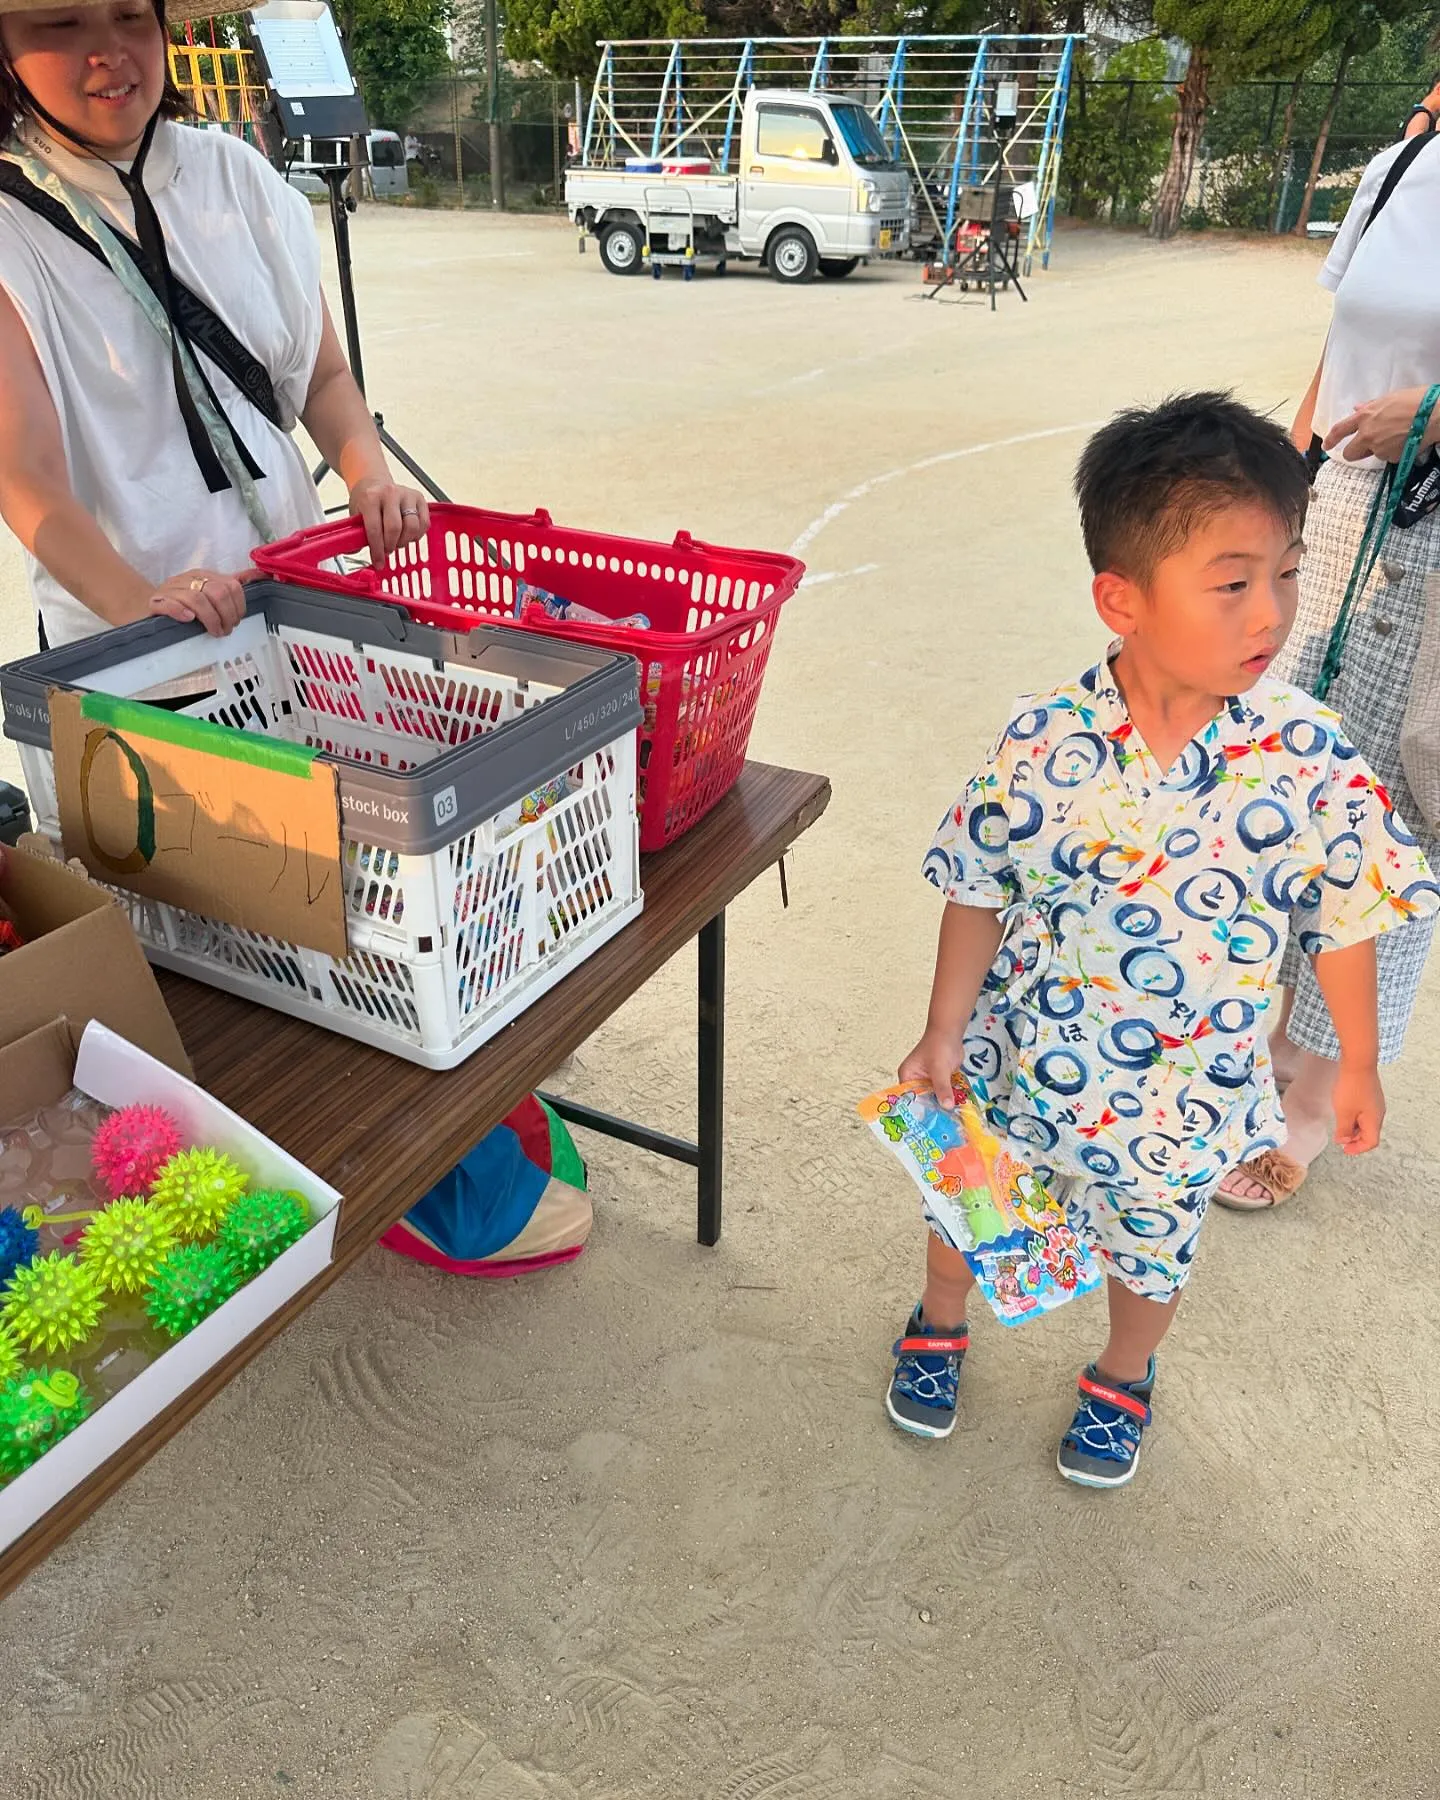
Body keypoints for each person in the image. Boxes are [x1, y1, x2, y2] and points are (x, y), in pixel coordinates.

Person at [886, 394, 1438, 1488]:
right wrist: (943, 1027)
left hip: (1185, 1088)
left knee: (1150, 1252)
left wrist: (1360, 1062)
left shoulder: (1307, 755)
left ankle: (1122, 1379)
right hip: (1023, 1060)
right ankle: (939, 1320)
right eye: (1230, 583)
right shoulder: (1044, 740)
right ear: (1120, 599)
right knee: (975, 1207)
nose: (1268, 613)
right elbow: (976, 886)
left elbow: (1345, 914)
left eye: (1283, 573)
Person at [0, 0, 429, 652]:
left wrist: (369, 477)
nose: (110, 51)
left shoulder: (237, 174)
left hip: (304, 608)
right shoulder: (11, 232)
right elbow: (25, 475)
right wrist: (136, 604)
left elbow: (322, 376)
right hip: (143, 657)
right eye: (62, 24)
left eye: (130, 16)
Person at [1218, 84, 1440, 1208]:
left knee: (1389, 826)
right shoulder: (1399, 166)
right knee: (1286, 791)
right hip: (1344, 507)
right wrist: (1276, 494)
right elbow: (1341, 344)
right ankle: (1262, 1051)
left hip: (1438, 540)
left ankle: (1312, 1096)